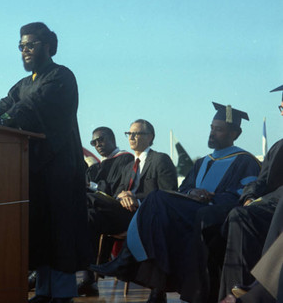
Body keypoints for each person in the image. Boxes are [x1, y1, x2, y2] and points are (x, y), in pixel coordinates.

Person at [92, 102, 261, 303]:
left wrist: (210, 196)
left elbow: (244, 195)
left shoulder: (245, 161)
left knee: (156, 199)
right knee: (159, 219)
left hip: (215, 212)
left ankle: (128, 263)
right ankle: (155, 286)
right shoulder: (202, 161)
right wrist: (192, 191)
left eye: (219, 130)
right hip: (192, 210)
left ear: (235, 133)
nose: (212, 133)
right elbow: (183, 190)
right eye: (211, 128)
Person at [0, 22, 90, 303]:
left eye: (30, 45)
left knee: (60, 230)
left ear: (48, 46)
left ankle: (63, 292)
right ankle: (43, 291)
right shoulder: (23, 84)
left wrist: (3, 121)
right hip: (32, 168)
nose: (25, 51)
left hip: (60, 168)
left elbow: (30, 108)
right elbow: (3, 106)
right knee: (39, 230)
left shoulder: (61, 77)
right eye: (21, 46)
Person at [85, 119, 178, 299]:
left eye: (137, 133)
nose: (132, 137)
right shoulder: (128, 166)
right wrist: (123, 195)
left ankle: (117, 265)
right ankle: (89, 274)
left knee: (90, 201)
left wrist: (135, 198)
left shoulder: (160, 159)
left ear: (150, 137)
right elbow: (120, 190)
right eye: (129, 134)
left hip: (146, 214)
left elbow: (168, 193)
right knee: (88, 213)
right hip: (124, 213)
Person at [217, 83, 283, 300]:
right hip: (270, 209)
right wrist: (250, 196)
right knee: (239, 214)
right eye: (281, 108)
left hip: (276, 207)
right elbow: (260, 180)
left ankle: (256, 287)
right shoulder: (279, 147)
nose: (281, 110)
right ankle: (233, 291)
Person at [78, 127, 134, 296]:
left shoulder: (126, 159)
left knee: (82, 204)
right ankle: (87, 278)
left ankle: (89, 278)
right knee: (84, 217)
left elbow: (116, 191)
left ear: (112, 139)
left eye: (101, 140)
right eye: (93, 142)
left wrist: (92, 180)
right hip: (100, 211)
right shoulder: (99, 165)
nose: (97, 145)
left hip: (120, 210)